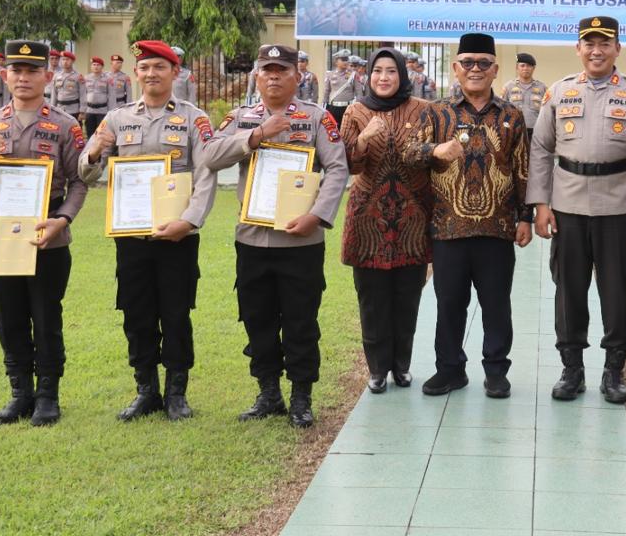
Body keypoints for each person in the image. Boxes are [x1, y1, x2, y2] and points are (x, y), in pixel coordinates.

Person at [528, 16, 626, 403]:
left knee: (617, 290)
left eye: (604, 43)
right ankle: (572, 368)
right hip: (568, 203)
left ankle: (614, 370)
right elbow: (540, 148)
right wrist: (541, 204)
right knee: (569, 289)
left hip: (617, 204)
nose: (596, 51)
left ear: (617, 49)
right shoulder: (559, 91)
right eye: (589, 44)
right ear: (578, 49)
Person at [205, 44, 350, 428]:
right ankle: (268, 393)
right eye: (266, 70)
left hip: (301, 240)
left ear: (296, 76)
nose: (273, 76)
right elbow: (209, 156)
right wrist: (254, 136)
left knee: (301, 320)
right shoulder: (241, 118)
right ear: (256, 76)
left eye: (281, 70)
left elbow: (337, 168)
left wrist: (317, 216)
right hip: (252, 238)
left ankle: (301, 396)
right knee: (257, 318)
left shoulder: (316, 118)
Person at [0, 40, 88, 426]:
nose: (23, 77)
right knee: (8, 317)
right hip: (1, 235)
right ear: (5, 75)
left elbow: (79, 181)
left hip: (48, 233)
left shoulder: (65, 125)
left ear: (47, 75)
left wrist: (63, 220)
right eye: (16, 70)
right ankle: (20, 393)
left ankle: (47, 396)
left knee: (46, 317)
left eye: (32, 71)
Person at [80, 41, 219, 422]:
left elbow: (206, 175)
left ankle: (176, 392)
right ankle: (146, 390)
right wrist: (95, 151)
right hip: (132, 236)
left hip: (178, 236)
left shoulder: (194, 119)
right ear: (136, 74)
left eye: (159, 67)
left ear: (175, 72)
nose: (151, 74)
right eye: (145, 68)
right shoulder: (116, 119)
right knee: (136, 312)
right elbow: (85, 171)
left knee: (176, 313)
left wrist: (189, 221)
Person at [403, 34, 533, 397]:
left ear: (495, 69)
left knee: (496, 304)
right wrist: (434, 150)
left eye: (484, 63)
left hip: (497, 229)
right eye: (468, 63)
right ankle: (450, 369)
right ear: (456, 68)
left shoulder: (511, 115)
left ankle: (496, 370)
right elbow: (409, 153)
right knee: (449, 304)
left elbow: (523, 169)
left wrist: (525, 216)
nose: (476, 69)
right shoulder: (436, 112)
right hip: (448, 228)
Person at [340, 48, 434, 393]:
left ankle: (401, 366)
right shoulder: (355, 111)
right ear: (368, 75)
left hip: (412, 218)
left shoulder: (422, 110)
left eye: (391, 71)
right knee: (372, 299)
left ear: (402, 75)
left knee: (407, 297)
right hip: (369, 219)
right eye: (377, 70)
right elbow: (347, 164)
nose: (383, 77)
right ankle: (377, 369)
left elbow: (432, 157)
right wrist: (363, 139)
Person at [502, 52, 548, 140]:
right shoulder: (508, 87)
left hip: (536, 132)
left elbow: (547, 111)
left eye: (529, 66)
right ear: (517, 68)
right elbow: (502, 110)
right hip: (514, 130)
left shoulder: (542, 88)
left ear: (533, 68)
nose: (525, 68)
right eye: (522, 66)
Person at [82, 57, 117, 136]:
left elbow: (111, 96)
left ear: (102, 67)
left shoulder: (108, 79)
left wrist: (111, 112)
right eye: (94, 65)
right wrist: (83, 111)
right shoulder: (86, 78)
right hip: (89, 110)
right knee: (90, 133)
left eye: (98, 65)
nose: (96, 67)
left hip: (102, 111)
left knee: (102, 134)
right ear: (91, 66)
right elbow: (83, 95)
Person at [322, 49, 357, 127]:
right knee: (333, 129)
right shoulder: (330, 74)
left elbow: (359, 93)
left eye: (347, 59)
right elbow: (326, 91)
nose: (345, 62)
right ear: (336, 61)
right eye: (343, 60)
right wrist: (324, 107)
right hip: (333, 108)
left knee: (347, 130)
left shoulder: (353, 75)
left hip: (348, 108)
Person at [50, 51, 83, 122]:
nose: (65, 62)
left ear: (73, 61)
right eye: (63, 59)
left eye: (67, 59)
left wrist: (82, 111)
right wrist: (52, 108)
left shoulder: (78, 76)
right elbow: (54, 93)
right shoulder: (56, 75)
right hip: (60, 109)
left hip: (74, 110)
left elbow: (83, 95)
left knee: (74, 128)